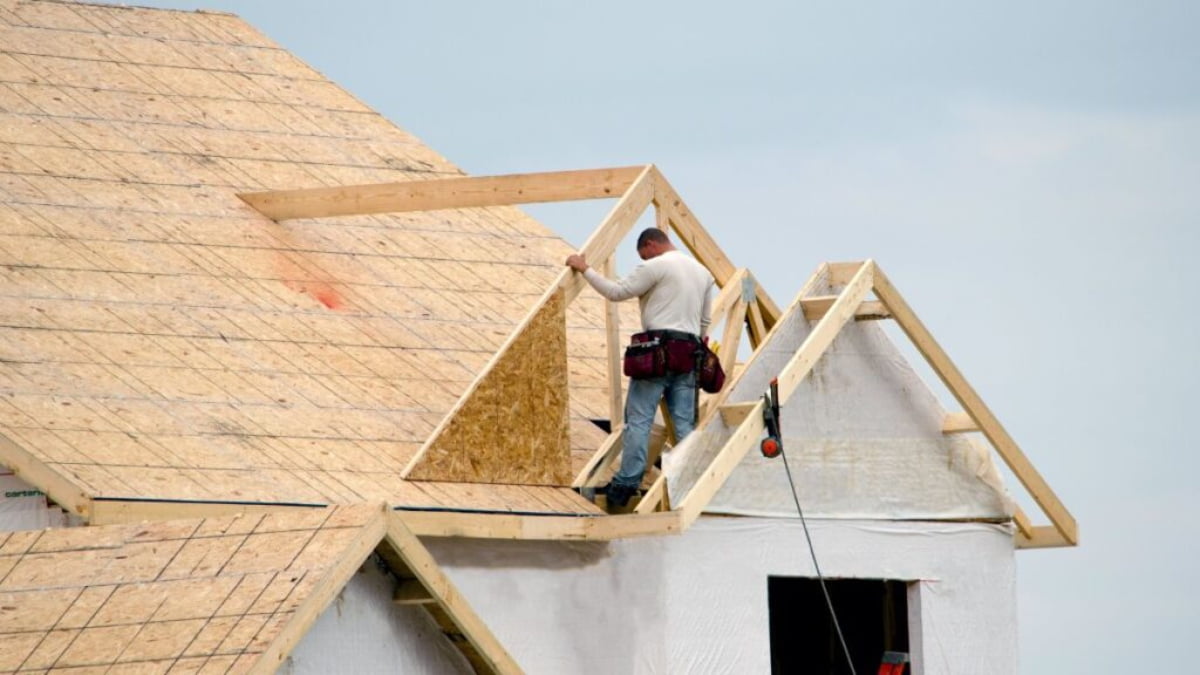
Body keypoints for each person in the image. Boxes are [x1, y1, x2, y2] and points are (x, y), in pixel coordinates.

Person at [565, 228, 714, 507]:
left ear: (650, 245)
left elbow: (617, 292)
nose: (643, 258)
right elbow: (704, 323)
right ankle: (690, 483)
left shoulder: (655, 266)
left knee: (639, 420)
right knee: (684, 424)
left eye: (643, 254)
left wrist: (585, 269)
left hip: (657, 353)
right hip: (689, 353)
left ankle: (626, 484)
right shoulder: (703, 273)